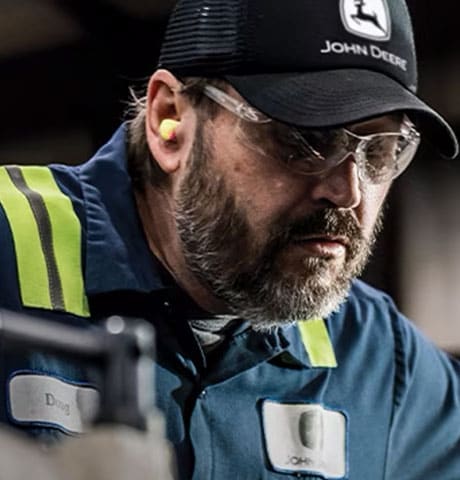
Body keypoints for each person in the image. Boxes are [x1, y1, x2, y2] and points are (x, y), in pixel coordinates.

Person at [0, 0, 459, 478]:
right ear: (169, 120)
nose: (347, 192)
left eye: (379, 152)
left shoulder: (380, 363)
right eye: (304, 141)